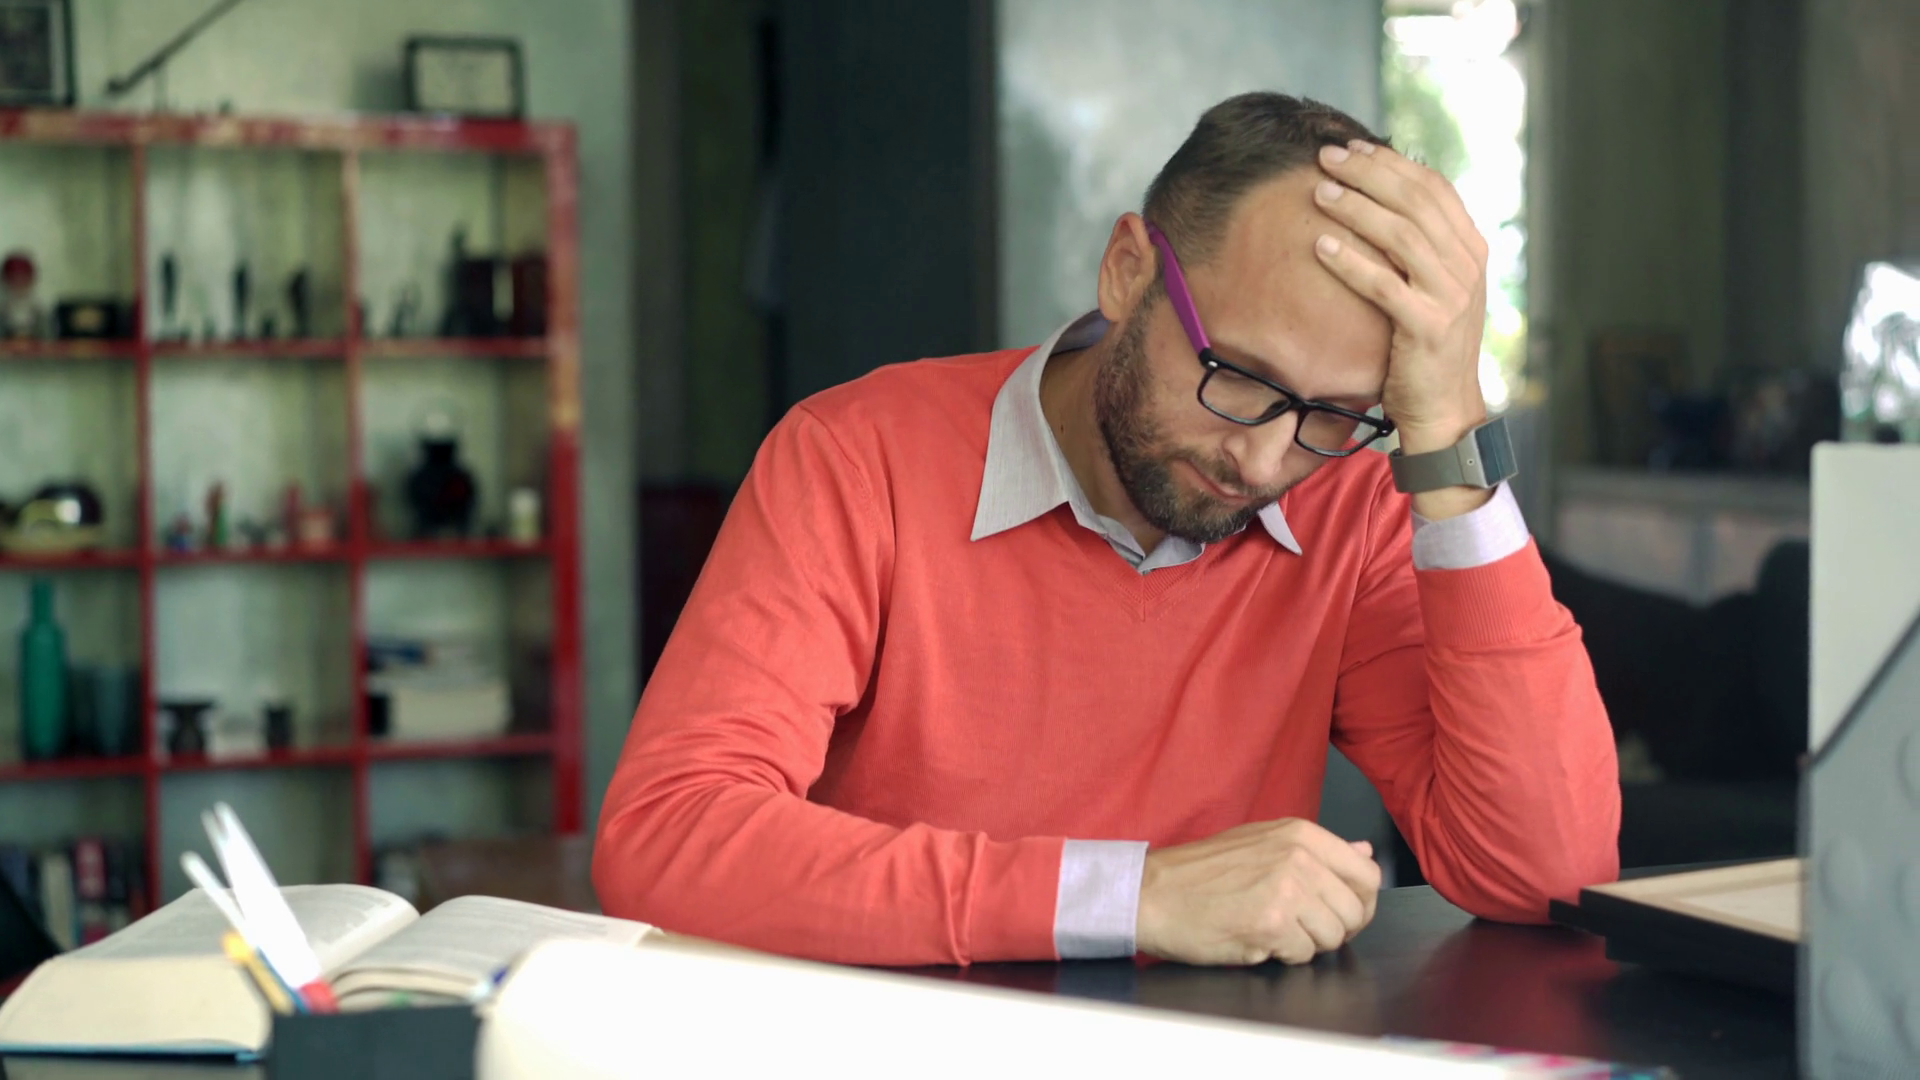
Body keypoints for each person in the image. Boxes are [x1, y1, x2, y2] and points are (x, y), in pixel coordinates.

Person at [595, 92, 1619, 967]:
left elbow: (1543, 873)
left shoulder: (1348, 502)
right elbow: (669, 836)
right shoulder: (858, 458)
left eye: (1334, 415)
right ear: (1129, 270)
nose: (1264, 462)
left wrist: (1449, 432)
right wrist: (1128, 897)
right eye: (1238, 378)